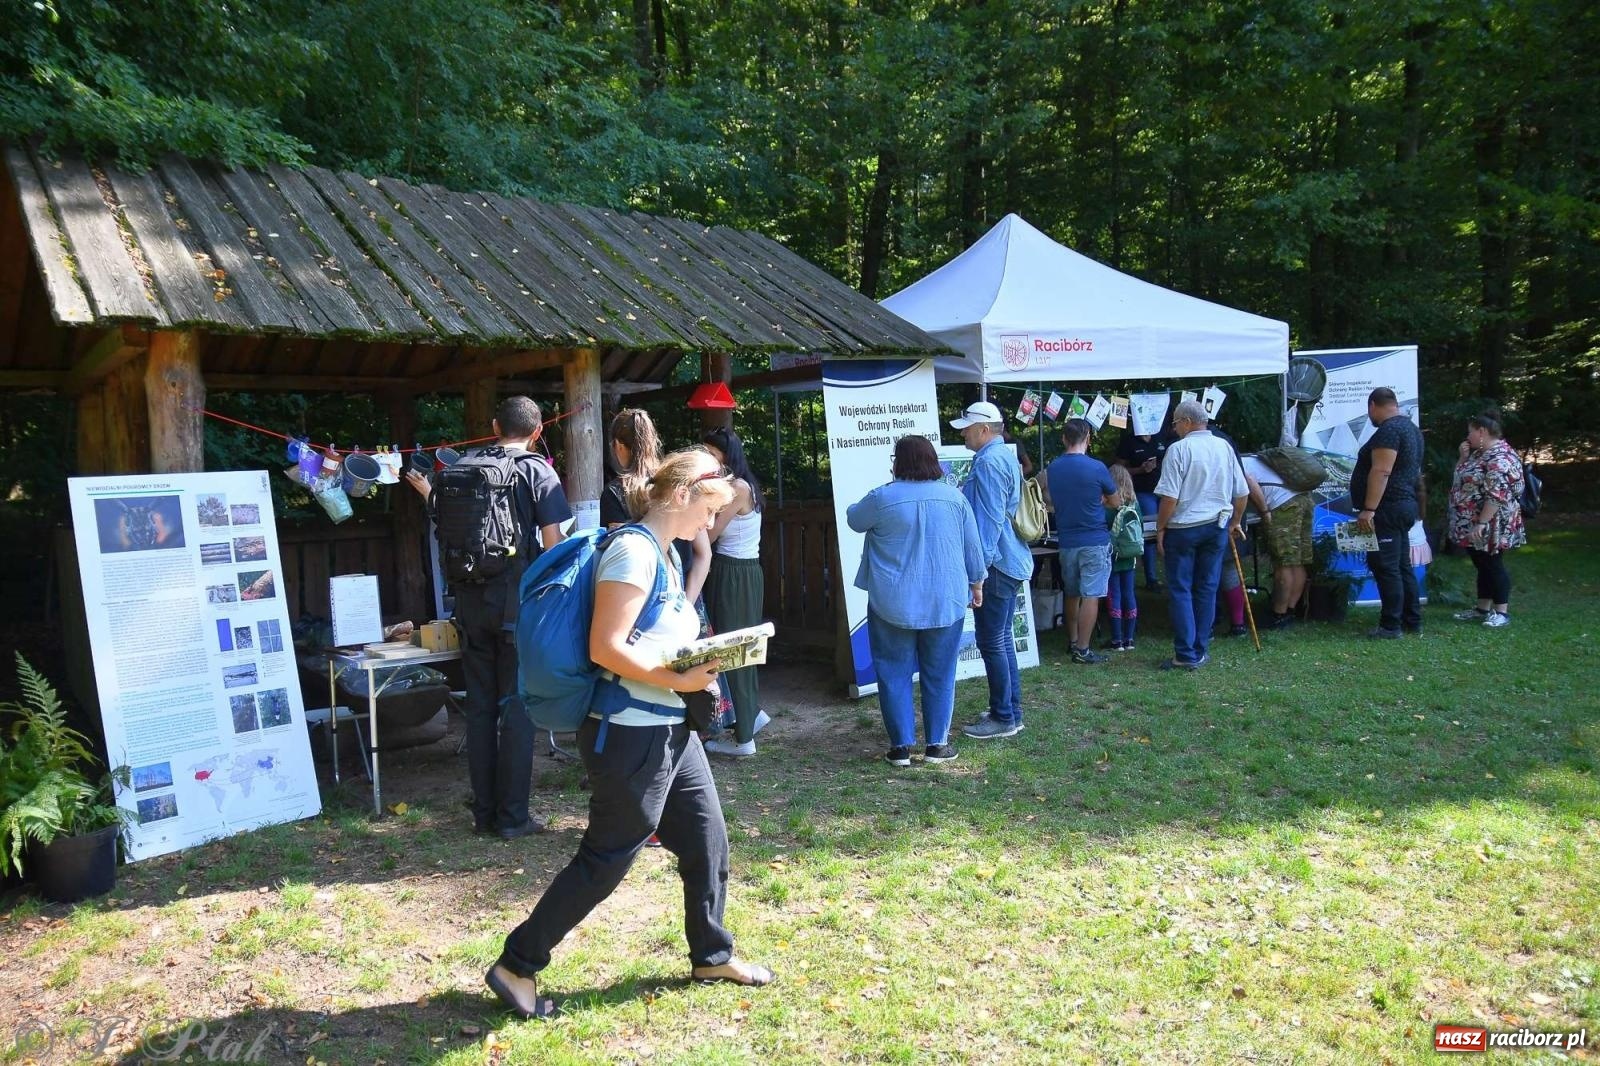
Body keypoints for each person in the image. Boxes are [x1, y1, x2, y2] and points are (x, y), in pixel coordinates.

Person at [485, 449, 773, 1020]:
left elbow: (653, 634)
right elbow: (606, 648)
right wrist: (680, 676)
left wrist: (693, 664)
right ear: (683, 495)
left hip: (669, 727)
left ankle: (712, 954)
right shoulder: (632, 552)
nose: (710, 525)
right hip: (628, 733)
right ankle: (517, 964)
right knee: (608, 855)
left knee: (706, 839)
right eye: (709, 511)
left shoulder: (663, 552)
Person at [407, 396, 570, 838]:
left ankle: (483, 814)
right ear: (537, 432)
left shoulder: (461, 466)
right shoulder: (537, 470)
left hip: (468, 603)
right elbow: (555, 546)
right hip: (516, 604)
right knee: (516, 709)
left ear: (495, 424)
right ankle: (513, 817)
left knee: (479, 710)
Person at [848, 435, 985, 767]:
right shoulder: (954, 498)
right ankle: (937, 745)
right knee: (940, 673)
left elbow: (854, 519)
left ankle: (900, 748)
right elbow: (973, 548)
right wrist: (977, 585)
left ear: (898, 461)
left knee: (893, 672)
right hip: (946, 601)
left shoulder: (883, 497)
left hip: (891, 603)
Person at [950, 401, 1033, 740]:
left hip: (997, 564)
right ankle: (1010, 710)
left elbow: (988, 522)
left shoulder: (988, 463)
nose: (963, 433)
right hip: (1008, 561)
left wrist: (977, 574)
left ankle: (1003, 717)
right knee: (1001, 640)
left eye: (967, 428)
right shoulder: (1001, 457)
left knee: (991, 641)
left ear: (984, 430)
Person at [1153, 399, 1247, 670]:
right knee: (1206, 587)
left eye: (1174, 423)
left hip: (1184, 528)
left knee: (1181, 589)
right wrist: (1235, 521)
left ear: (1185, 422)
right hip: (1216, 525)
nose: (1174, 429)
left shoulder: (1178, 450)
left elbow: (1169, 497)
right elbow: (1241, 492)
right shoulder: (1224, 446)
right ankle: (1200, 649)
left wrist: (1161, 528)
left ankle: (1185, 654)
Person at [700, 427, 766, 758]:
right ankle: (752, 715)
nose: (705, 458)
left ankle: (743, 740)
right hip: (744, 571)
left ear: (726, 456)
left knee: (733, 649)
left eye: (710, 452)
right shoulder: (744, 484)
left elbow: (709, 535)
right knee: (742, 646)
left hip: (733, 572)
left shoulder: (737, 488)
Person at [602, 408, 711, 604]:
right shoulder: (675, 480)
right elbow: (705, 553)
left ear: (618, 446)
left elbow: (622, 557)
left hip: (642, 600)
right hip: (685, 596)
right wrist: (687, 603)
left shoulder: (615, 492)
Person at [1350, 387, 1425, 638]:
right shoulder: (1411, 429)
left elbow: (1381, 471)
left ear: (1373, 405)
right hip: (1404, 505)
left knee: (1386, 567)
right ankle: (1411, 619)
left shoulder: (1390, 430)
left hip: (1388, 508)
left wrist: (1369, 509)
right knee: (1402, 565)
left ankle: (1391, 625)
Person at [1043, 417, 1117, 664]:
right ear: (1088, 438)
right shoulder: (1097, 467)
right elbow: (1116, 501)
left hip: (1066, 540)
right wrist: (1103, 501)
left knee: (1072, 593)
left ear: (1064, 438)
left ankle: (1073, 641)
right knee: (1092, 594)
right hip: (1094, 539)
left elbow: (1050, 500)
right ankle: (1084, 650)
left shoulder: (1053, 468)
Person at [1447, 408, 1525, 628]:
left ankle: (1501, 611)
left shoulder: (1500, 457)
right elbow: (1461, 479)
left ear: (1482, 431)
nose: (1467, 437)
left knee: (1492, 563)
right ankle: (1482, 608)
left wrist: (1482, 523)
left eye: (1470, 433)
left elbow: (1496, 495)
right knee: (1481, 563)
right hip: (1471, 521)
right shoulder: (1480, 453)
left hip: (1491, 523)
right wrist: (1463, 458)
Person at [1242, 452, 1313, 628]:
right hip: (1304, 498)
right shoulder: (1255, 458)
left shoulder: (1236, 463)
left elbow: (1250, 483)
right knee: (1297, 561)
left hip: (1283, 506)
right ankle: (1290, 611)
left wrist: (1264, 512)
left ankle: (1278, 614)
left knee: (1284, 563)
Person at [1112, 423, 1172, 589]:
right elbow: (1118, 470)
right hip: (1143, 492)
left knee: (1170, 529)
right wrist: (1140, 469)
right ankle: (1151, 578)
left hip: (1164, 491)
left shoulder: (1160, 437)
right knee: (1150, 532)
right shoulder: (1129, 441)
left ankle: (1171, 575)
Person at [1105, 464, 1143, 651]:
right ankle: (1129, 638)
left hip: (1113, 556)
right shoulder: (1133, 502)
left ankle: (1116, 639)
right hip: (1130, 556)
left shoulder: (1108, 504)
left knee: (1114, 594)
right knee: (1129, 593)